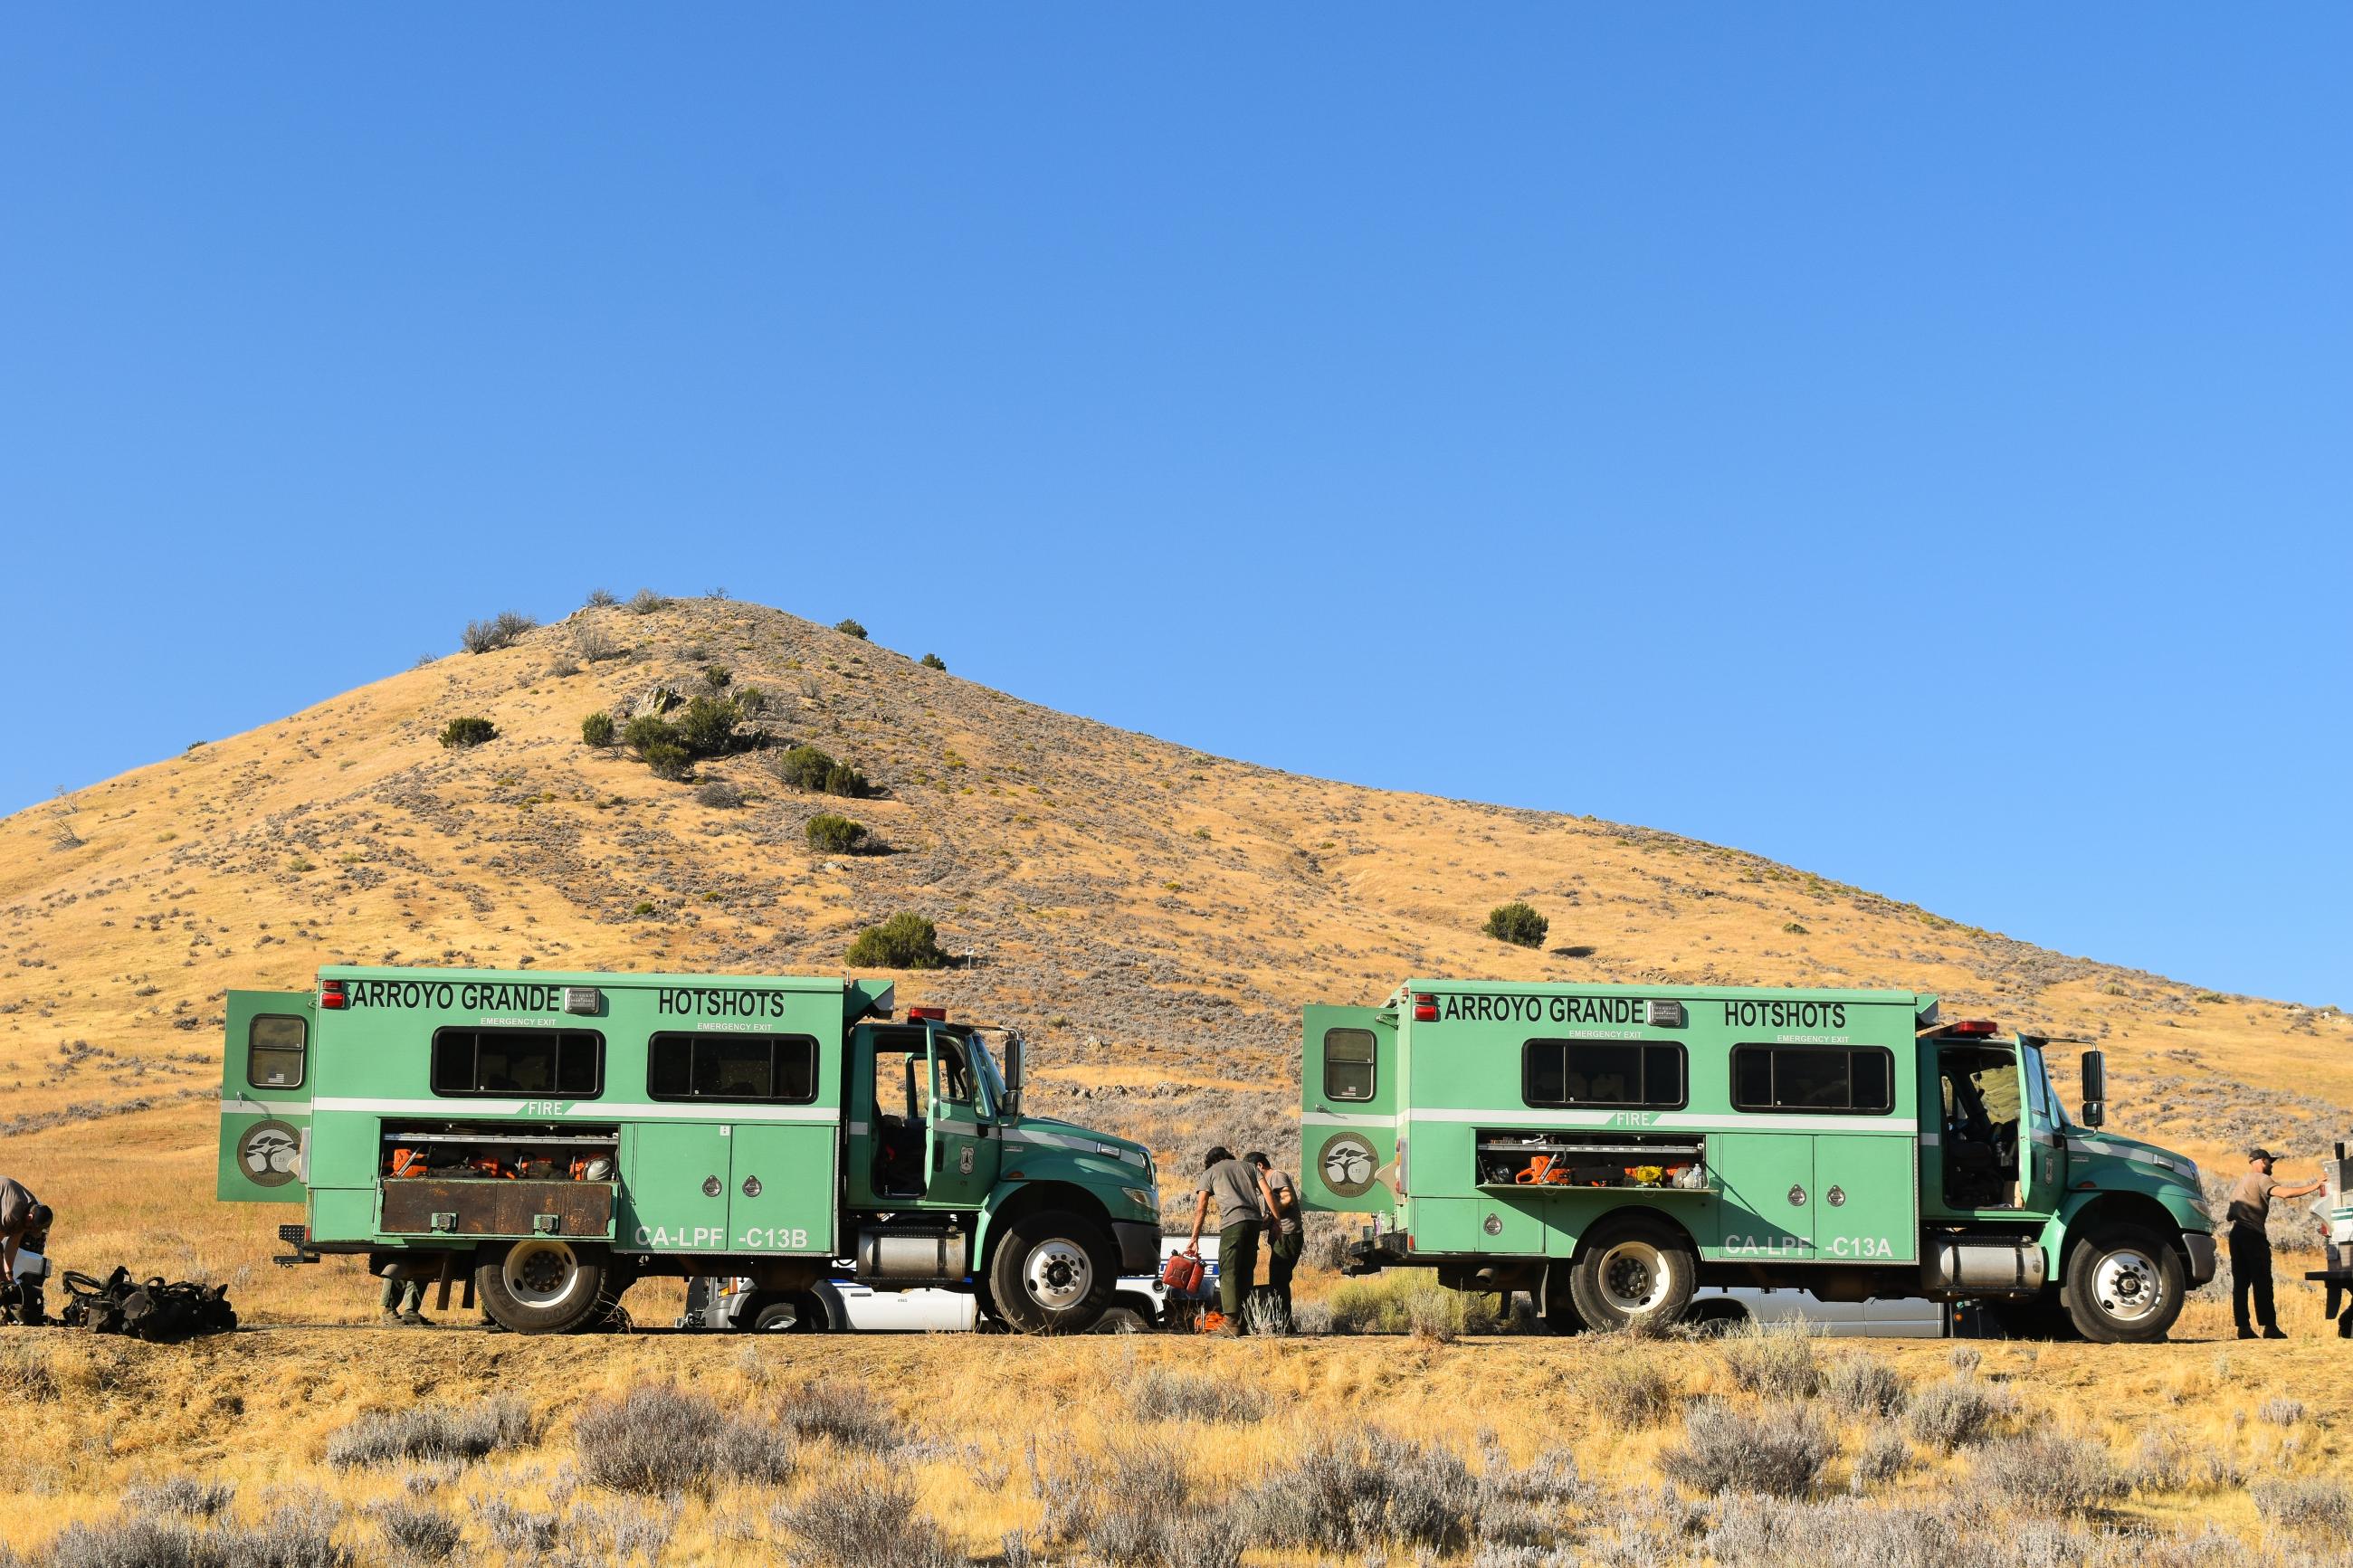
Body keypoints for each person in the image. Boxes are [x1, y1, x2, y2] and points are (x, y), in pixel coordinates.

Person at [2226, 1146, 2323, 1340]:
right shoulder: (2262, 1179)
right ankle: (2269, 1327)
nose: (2271, 1165)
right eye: (2270, 1161)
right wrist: (2315, 1185)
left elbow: (2230, 1214)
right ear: (2262, 1161)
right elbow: (2285, 1193)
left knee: (2241, 1283)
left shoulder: (2242, 1181)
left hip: (2236, 1234)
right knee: (2262, 1281)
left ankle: (2243, 1328)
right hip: (2252, 1235)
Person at [1186, 1145, 1275, 1335]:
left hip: (1232, 1223)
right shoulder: (1248, 1167)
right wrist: (1276, 1219)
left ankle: (1231, 1322)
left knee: (1228, 1271)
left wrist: (1195, 1238)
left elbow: (1201, 1207)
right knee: (1245, 1271)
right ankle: (1244, 1321)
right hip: (1253, 1223)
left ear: (1210, 1162)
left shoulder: (1210, 1172)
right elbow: (1267, 1192)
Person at [1248, 1151, 1303, 1332]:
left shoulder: (1276, 1176)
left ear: (1259, 1166)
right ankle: (1283, 1322)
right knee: (1278, 1280)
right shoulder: (1268, 1181)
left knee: (1279, 1280)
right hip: (1283, 1236)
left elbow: (1287, 1199)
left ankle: (1285, 1324)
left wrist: (1272, 1216)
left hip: (1287, 1235)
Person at [0, 1175, 52, 1286]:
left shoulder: (31, 1209)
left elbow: (13, 1243)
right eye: (31, 1228)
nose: (29, 1230)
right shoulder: (11, 1213)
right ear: (30, 1217)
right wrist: (3, 1276)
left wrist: (9, 1274)